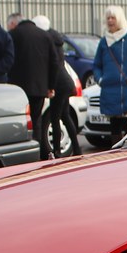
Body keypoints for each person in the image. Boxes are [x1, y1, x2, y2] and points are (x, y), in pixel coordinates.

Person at [7, 12, 59, 160]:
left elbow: (7, 59)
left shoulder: (12, 35)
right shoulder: (45, 36)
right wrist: (50, 86)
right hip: (39, 88)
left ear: (13, 24)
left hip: (17, 89)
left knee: (18, 122)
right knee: (36, 121)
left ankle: (20, 154)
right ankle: (37, 154)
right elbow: (55, 63)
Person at [92, 5, 127, 147]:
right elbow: (96, 65)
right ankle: (116, 153)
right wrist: (100, 79)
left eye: (113, 18)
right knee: (114, 128)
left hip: (126, 91)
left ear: (120, 19)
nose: (110, 21)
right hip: (109, 92)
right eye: (108, 18)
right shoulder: (104, 41)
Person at [32, 15, 81, 157]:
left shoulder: (47, 41)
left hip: (58, 84)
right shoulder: (57, 40)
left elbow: (51, 66)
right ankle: (76, 148)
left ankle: (57, 152)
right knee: (65, 115)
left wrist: (50, 86)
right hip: (66, 81)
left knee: (55, 118)